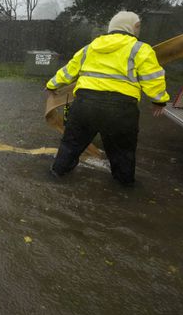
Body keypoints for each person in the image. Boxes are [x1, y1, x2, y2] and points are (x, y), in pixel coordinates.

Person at [45, 11, 169, 185]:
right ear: (135, 27)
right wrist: (159, 100)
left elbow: (68, 71)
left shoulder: (90, 48)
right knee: (122, 153)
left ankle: (56, 176)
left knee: (70, 146)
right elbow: (153, 78)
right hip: (121, 109)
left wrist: (52, 85)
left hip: (84, 105)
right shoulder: (140, 49)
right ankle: (124, 190)